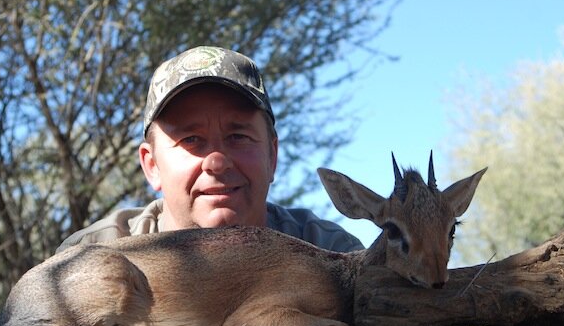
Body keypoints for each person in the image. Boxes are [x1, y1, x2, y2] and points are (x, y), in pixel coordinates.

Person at [56, 45, 364, 253]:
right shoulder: (91, 257)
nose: (216, 162)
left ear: (273, 156)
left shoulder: (331, 253)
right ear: (151, 166)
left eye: (238, 136)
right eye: (191, 140)